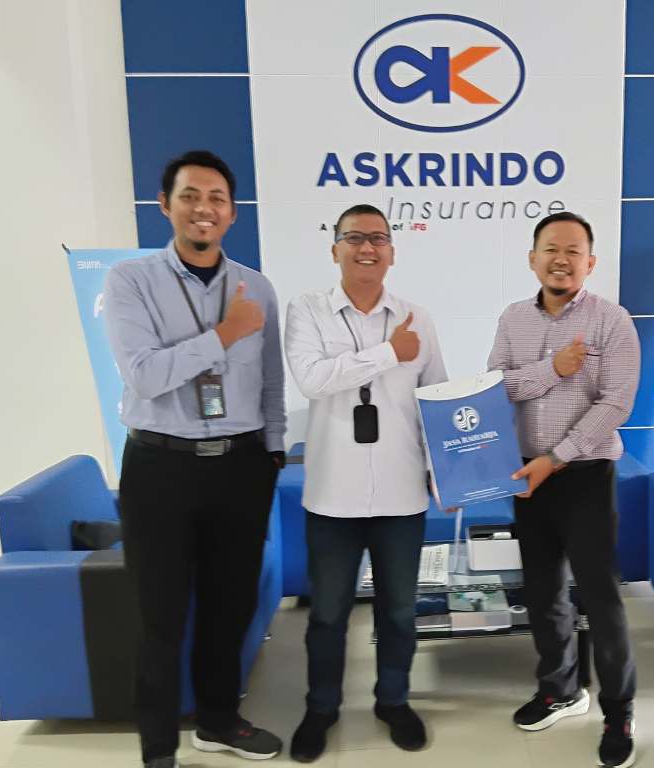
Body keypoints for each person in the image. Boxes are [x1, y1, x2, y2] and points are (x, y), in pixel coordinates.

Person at [104, 150, 287, 768]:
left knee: (229, 605)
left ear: (232, 213)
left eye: (216, 199)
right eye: (190, 196)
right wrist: (226, 333)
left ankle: (218, 720)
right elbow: (144, 374)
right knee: (158, 614)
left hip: (241, 465)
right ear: (166, 205)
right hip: (161, 466)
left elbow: (270, 382)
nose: (203, 208)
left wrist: (272, 451)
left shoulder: (257, 287)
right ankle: (158, 749)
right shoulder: (130, 281)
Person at [284, 204, 447, 762]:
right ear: (335, 249)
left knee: (399, 612)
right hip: (332, 495)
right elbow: (313, 380)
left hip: (402, 493)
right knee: (328, 613)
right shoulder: (308, 310)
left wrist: (444, 472)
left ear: (392, 252)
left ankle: (393, 701)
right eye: (354, 237)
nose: (366, 248)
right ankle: (321, 708)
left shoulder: (417, 318)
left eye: (378, 238)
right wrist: (387, 354)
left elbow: (435, 397)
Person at [487, 211, 641, 768]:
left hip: (585, 475)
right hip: (527, 476)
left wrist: (557, 458)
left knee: (601, 596)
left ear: (590, 263)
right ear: (533, 258)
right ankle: (560, 689)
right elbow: (497, 389)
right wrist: (553, 368)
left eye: (574, 251)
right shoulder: (512, 319)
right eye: (551, 248)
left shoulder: (612, 321)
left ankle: (618, 710)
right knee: (543, 591)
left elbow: (616, 404)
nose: (562, 259)